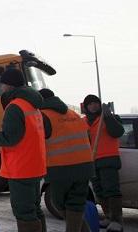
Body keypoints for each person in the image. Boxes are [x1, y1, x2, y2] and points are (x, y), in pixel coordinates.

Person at [0, 68, 47, 232]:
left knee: (24, 212)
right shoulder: (33, 105)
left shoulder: (15, 107)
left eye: (3, 84)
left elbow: (9, 138)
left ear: (10, 85)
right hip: (34, 166)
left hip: (21, 169)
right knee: (34, 209)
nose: (1, 88)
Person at [39, 89, 93, 232]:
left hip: (61, 168)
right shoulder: (74, 114)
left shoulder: (43, 116)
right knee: (76, 204)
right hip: (85, 167)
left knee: (58, 202)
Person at [82, 94, 124, 231]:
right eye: (90, 104)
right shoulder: (84, 122)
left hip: (108, 159)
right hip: (92, 161)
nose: (93, 106)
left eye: (95, 103)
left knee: (111, 189)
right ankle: (108, 216)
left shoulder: (108, 118)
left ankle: (117, 220)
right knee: (99, 190)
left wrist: (109, 116)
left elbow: (118, 132)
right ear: (86, 107)